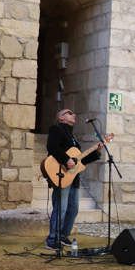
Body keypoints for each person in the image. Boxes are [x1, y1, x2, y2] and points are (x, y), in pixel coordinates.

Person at [45, 107, 101, 250]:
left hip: (73, 177)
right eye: (69, 113)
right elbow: (52, 147)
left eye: (73, 113)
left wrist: (96, 152)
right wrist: (65, 159)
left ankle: (63, 236)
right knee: (61, 208)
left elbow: (79, 161)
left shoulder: (73, 137)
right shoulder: (56, 129)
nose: (73, 114)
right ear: (61, 118)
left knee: (73, 209)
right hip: (60, 174)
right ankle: (52, 239)